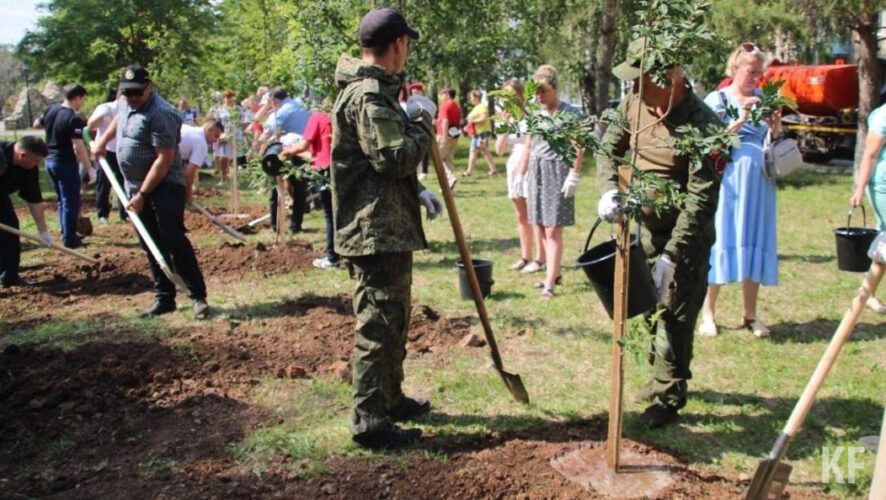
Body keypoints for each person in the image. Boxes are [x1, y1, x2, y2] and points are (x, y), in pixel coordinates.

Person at [331, 7, 443, 449]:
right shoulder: (368, 96)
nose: (407, 50)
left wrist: (415, 192)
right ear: (397, 44)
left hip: (386, 223)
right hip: (373, 230)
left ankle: (390, 399)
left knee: (393, 320)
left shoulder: (376, 92)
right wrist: (423, 124)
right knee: (377, 326)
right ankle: (370, 424)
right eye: (407, 43)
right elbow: (392, 157)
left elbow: (380, 163)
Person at [596, 37, 722, 428]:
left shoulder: (704, 127)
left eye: (640, 78)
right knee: (650, 309)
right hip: (644, 233)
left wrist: (672, 256)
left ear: (669, 77)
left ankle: (668, 398)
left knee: (675, 316)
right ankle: (659, 378)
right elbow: (607, 150)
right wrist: (608, 189)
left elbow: (700, 203)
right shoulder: (635, 106)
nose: (632, 86)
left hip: (685, 241)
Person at [91, 65, 209, 319]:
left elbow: (164, 160)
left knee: (171, 236)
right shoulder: (125, 102)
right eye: (127, 93)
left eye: (137, 93)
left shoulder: (162, 114)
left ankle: (197, 295)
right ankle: (164, 297)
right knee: (149, 240)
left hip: (165, 183)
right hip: (133, 185)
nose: (132, 98)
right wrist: (101, 142)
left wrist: (142, 195)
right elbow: (118, 120)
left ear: (149, 87)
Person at [700, 43, 782, 338]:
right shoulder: (717, 99)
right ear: (735, 68)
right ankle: (708, 314)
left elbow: (771, 140)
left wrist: (775, 127)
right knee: (721, 239)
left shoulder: (764, 98)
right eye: (751, 71)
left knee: (753, 239)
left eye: (760, 73)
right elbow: (708, 142)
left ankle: (750, 313)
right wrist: (741, 119)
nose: (756, 78)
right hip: (729, 180)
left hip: (760, 181)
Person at [518, 66, 583, 298]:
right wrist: (521, 172)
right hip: (538, 171)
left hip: (558, 171)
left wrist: (574, 175)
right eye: (536, 93)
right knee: (542, 225)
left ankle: (550, 284)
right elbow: (529, 143)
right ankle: (552, 273)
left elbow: (578, 146)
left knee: (554, 228)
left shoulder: (570, 113)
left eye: (543, 92)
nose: (539, 97)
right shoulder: (536, 114)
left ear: (555, 89)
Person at [37, 83, 93, 248]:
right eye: (83, 99)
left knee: (62, 200)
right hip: (65, 163)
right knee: (70, 201)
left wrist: (51, 126)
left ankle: (66, 232)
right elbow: (78, 147)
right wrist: (89, 169)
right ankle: (69, 238)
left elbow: (36, 123)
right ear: (77, 98)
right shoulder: (73, 118)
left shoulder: (51, 110)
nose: (83, 103)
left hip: (50, 161)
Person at [280, 109, 337, 269]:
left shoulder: (318, 116)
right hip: (343, 168)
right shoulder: (340, 114)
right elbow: (314, 152)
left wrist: (289, 151)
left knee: (330, 215)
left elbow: (304, 144)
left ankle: (332, 258)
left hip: (326, 170)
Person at [494, 78, 539, 272]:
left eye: (511, 94)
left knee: (534, 214)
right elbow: (499, 150)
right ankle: (525, 256)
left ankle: (540, 258)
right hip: (513, 165)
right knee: (521, 215)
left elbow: (532, 144)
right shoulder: (504, 119)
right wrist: (504, 127)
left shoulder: (530, 117)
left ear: (521, 96)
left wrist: (524, 166)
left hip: (529, 165)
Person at [0, 136, 52, 287]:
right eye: (36, 161)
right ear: (23, 155)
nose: (37, 165)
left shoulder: (29, 169)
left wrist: (43, 232)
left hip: (1, 197)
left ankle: (9, 276)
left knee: (11, 230)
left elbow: (34, 199)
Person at [850, 100, 886, 312]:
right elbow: (870, 155)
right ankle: (866, 295)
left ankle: (867, 293)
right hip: (883, 186)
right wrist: (859, 189)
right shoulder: (883, 116)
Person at [88, 87, 128, 224]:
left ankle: (125, 214)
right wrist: (101, 115)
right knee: (103, 184)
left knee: (125, 183)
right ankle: (102, 215)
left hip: (123, 152)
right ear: (118, 96)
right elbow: (91, 125)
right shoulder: (106, 108)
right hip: (105, 152)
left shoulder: (132, 109)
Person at [208, 89, 247, 187]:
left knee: (234, 158)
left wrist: (243, 132)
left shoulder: (238, 109)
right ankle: (223, 179)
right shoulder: (220, 109)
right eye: (226, 97)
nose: (228, 99)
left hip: (236, 135)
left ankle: (235, 179)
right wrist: (218, 135)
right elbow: (216, 123)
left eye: (230, 97)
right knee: (223, 158)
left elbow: (243, 122)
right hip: (224, 135)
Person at [180, 119, 224, 202]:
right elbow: (189, 173)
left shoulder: (189, 129)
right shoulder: (201, 143)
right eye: (216, 136)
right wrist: (188, 194)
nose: (216, 140)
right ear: (209, 130)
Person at [463, 90, 498, 177]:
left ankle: (470, 172)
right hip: (477, 133)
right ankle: (492, 171)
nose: (470, 99)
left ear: (476, 98)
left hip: (482, 132)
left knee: (481, 151)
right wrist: (467, 126)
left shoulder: (482, 107)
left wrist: (472, 120)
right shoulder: (476, 107)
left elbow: (484, 117)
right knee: (478, 151)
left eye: (471, 97)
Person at [406, 83, 436, 180]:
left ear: (421, 91)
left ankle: (424, 171)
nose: (415, 94)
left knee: (425, 151)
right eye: (413, 92)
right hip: (412, 128)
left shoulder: (427, 102)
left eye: (416, 91)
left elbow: (432, 110)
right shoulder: (410, 100)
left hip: (425, 128)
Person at [435, 88, 461, 188]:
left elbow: (445, 121)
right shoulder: (456, 106)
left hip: (443, 135)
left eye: (441, 95)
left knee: (439, 160)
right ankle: (450, 180)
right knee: (448, 160)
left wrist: (445, 136)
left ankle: (448, 179)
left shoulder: (445, 105)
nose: (440, 97)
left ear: (447, 94)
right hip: (454, 136)